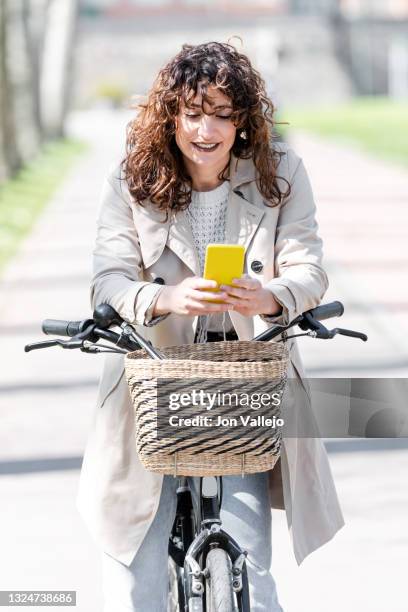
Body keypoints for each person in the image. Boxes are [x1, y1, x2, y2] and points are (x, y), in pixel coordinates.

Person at [76, 41, 345, 611]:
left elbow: (308, 266)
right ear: (170, 115)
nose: (207, 130)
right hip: (154, 381)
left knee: (253, 561)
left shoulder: (283, 173)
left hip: (245, 383)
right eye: (194, 112)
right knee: (136, 569)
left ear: (243, 120)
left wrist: (270, 296)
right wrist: (166, 297)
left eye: (223, 114)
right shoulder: (131, 178)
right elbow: (109, 279)